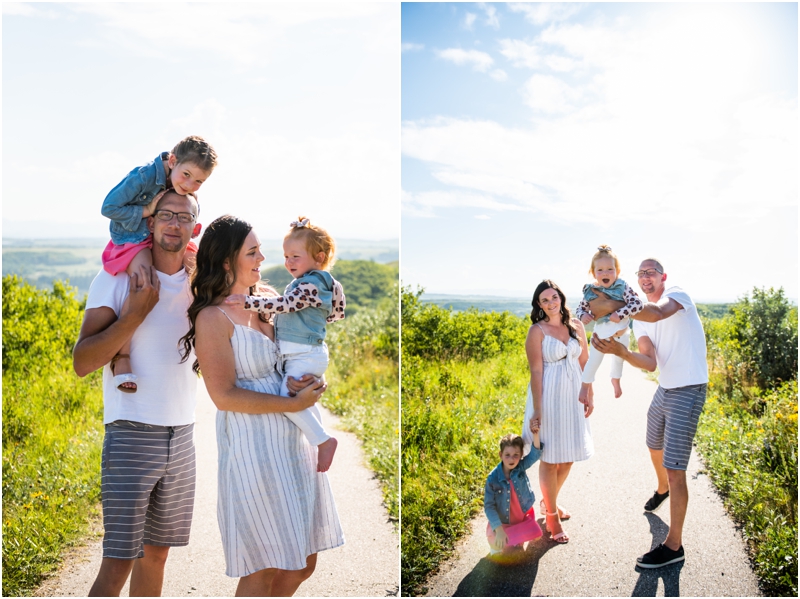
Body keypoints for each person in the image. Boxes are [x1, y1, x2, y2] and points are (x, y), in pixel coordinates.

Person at [181, 214, 344, 596]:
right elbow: (223, 396)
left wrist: (313, 381)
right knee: (265, 562)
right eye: (252, 252)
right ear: (226, 262)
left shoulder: (271, 300)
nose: (263, 258)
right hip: (251, 445)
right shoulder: (212, 317)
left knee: (303, 561)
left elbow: (305, 345)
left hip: (293, 443)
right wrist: (290, 405)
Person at [73, 191, 202, 596]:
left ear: (194, 227)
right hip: (130, 431)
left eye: (183, 217)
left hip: (182, 434)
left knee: (157, 555)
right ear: (150, 222)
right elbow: (83, 361)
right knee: (118, 562)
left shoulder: (202, 283)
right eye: (166, 214)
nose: (173, 224)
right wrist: (134, 315)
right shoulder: (115, 279)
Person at [591, 258, 708, 569]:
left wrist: (614, 305)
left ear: (662, 277)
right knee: (652, 443)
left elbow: (658, 313)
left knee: (675, 466)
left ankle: (674, 546)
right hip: (665, 388)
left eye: (651, 272)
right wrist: (621, 352)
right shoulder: (639, 318)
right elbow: (649, 363)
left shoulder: (677, 295)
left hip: (689, 387)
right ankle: (663, 488)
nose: (645, 277)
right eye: (640, 274)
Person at [224, 216, 345, 472]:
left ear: (319, 257)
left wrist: (250, 303)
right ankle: (319, 438)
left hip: (304, 353)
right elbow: (334, 313)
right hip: (304, 353)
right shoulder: (312, 283)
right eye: (286, 256)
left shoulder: (312, 284)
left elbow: (286, 305)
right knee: (296, 395)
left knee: (288, 398)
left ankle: (323, 440)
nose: (288, 262)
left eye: (295, 257)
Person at [100, 136, 217, 393]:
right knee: (144, 279)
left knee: (202, 270)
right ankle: (122, 356)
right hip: (134, 238)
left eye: (198, 181)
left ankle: (211, 344)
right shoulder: (143, 176)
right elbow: (108, 207)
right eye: (186, 175)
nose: (190, 185)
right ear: (172, 161)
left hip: (160, 237)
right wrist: (147, 210)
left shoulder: (180, 180)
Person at [522, 280, 593, 544]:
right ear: (539, 305)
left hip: (573, 396)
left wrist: (590, 392)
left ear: (561, 298)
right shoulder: (537, 331)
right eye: (545, 300)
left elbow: (585, 361)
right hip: (548, 397)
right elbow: (536, 371)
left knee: (570, 455)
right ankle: (552, 515)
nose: (551, 303)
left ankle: (547, 500)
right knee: (550, 459)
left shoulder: (577, 326)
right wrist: (538, 410)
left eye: (554, 297)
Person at [576, 245, 643, 401]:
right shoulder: (590, 291)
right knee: (594, 361)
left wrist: (620, 313)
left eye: (610, 269)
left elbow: (638, 304)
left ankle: (616, 379)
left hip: (622, 332)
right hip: (601, 334)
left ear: (617, 271)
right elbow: (580, 309)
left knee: (619, 359)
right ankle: (584, 387)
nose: (605, 273)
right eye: (600, 270)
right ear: (593, 273)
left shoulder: (622, 287)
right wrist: (583, 315)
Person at [484, 433, 543, 556]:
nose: (511, 459)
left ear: (521, 455)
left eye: (516, 455)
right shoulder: (493, 478)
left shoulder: (520, 467)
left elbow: (535, 454)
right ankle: (507, 539)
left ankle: (516, 537)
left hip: (520, 516)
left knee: (537, 534)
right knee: (497, 544)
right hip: (503, 520)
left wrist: (535, 434)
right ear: (501, 455)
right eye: (507, 455)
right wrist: (499, 530)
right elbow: (489, 506)